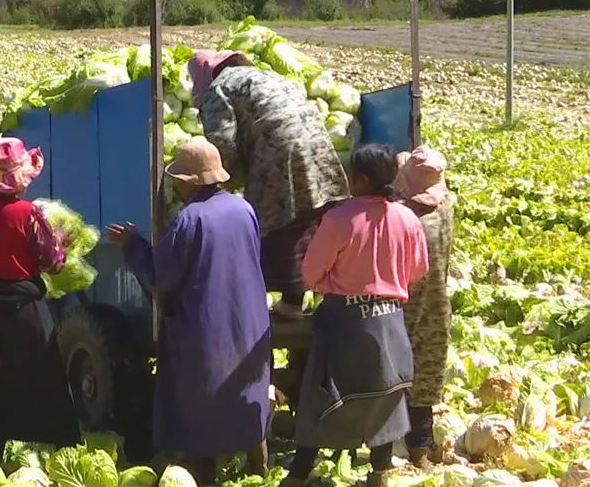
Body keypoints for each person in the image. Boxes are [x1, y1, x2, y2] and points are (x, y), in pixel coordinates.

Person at [107, 137, 271, 484]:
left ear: (186, 182)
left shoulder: (190, 218)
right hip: (248, 323)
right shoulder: (244, 209)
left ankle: (205, 473)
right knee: (245, 395)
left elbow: (159, 275)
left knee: (203, 406)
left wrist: (132, 244)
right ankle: (259, 466)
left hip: (206, 331)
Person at [284, 144, 429, 487]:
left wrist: (332, 282)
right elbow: (418, 269)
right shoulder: (407, 217)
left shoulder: (338, 220)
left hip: (345, 320)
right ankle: (380, 471)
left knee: (322, 393)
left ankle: (299, 473)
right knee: (386, 392)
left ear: (361, 179)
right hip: (391, 318)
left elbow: (309, 274)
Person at [188, 50, 350, 320]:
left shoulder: (219, 89)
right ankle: (297, 301)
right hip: (317, 147)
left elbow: (222, 144)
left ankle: (263, 305)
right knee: (308, 219)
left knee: (276, 225)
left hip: (279, 154)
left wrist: (210, 186)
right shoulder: (266, 77)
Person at [0, 137, 80, 463]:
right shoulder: (28, 214)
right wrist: (62, 244)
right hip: (24, 310)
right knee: (44, 378)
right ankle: (59, 451)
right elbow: (52, 263)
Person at [394, 146, 454, 469]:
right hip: (438, 301)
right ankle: (421, 448)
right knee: (427, 377)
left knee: (400, 375)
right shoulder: (445, 208)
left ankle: (408, 448)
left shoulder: (407, 219)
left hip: (406, 307)